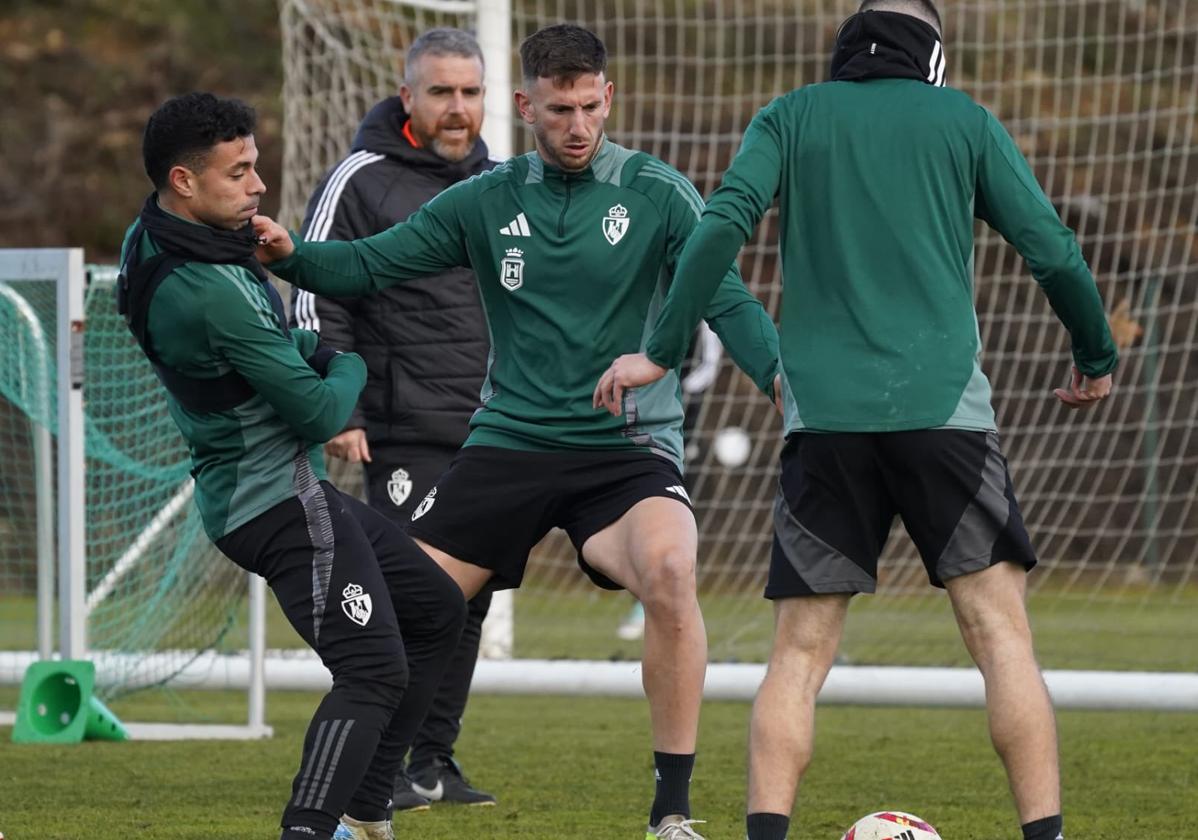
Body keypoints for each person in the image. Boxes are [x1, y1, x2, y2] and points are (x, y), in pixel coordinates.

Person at [593, 2, 1117, 839]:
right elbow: (1050, 248)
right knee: (1001, 639)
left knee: (798, 654)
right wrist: (1095, 355)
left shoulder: (791, 116)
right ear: (934, 53)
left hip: (824, 425)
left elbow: (721, 223)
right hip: (945, 417)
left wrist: (659, 347)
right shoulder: (965, 122)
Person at [255, 23, 782, 840]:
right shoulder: (483, 200)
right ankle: (371, 795)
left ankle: (671, 811)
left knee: (673, 572)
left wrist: (781, 379)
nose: (577, 125)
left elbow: (731, 303)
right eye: (559, 108)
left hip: (625, 449)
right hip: (507, 444)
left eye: (589, 106)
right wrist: (291, 255)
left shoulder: (659, 193)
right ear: (527, 105)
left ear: (610, 97)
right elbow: (364, 266)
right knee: (407, 610)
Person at [119, 92, 466, 840]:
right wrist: (349, 363)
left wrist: (304, 350)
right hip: (274, 501)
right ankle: (310, 828)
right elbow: (317, 410)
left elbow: (283, 359)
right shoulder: (210, 293)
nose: (258, 186)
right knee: (373, 671)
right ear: (184, 181)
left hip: (276, 488)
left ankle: (369, 805)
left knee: (437, 608)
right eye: (239, 172)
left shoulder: (156, 241)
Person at [291, 27, 496, 810]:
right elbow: (314, 291)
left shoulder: (502, 181)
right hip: (401, 424)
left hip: (489, 427)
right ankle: (378, 764)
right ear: (407, 96)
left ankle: (431, 763)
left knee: (468, 603)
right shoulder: (361, 179)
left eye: (469, 93)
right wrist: (339, 406)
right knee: (419, 595)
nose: (457, 109)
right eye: (441, 92)